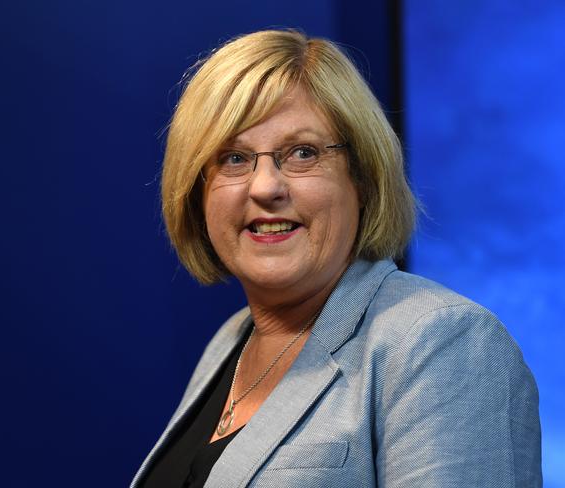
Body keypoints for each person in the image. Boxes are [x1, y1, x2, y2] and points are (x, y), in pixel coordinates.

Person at [131, 29, 541, 487]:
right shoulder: (230, 342)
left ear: (362, 179)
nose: (265, 187)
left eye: (302, 153)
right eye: (233, 158)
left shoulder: (440, 342)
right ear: (196, 191)